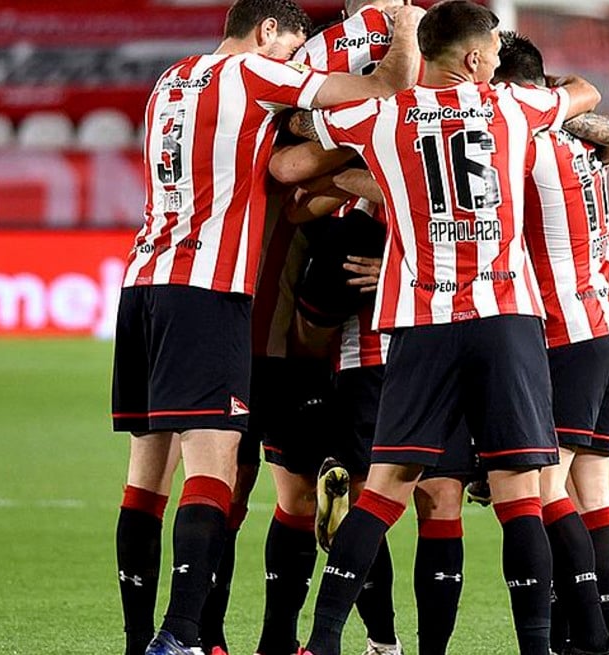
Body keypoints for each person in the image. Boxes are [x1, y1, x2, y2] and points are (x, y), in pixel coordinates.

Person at [284, 2, 602, 653]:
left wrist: (382, 185)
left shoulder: (384, 115)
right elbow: (585, 94)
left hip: (423, 321)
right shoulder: (513, 107)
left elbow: (300, 135)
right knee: (520, 498)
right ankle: (537, 647)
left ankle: (319, 644)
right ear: (476, 58)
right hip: (504, 320)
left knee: (383, 491)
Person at [109, 1, 424, 653]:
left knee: (149, 475)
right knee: (216, 473)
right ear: (266, 33)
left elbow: (282, 169)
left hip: (143, 281)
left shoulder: (170, 79)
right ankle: (184, 635)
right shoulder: (255, 75)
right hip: (210, 293)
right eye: (289, 47)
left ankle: (148, 638)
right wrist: (402, 26)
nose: (292, 61)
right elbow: (381, 86)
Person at [492, 32, 609, 655]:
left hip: (564, 332)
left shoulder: (514, 147)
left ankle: (593, 640)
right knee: (594, 492)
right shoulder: (578, 141)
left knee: (549, 490)